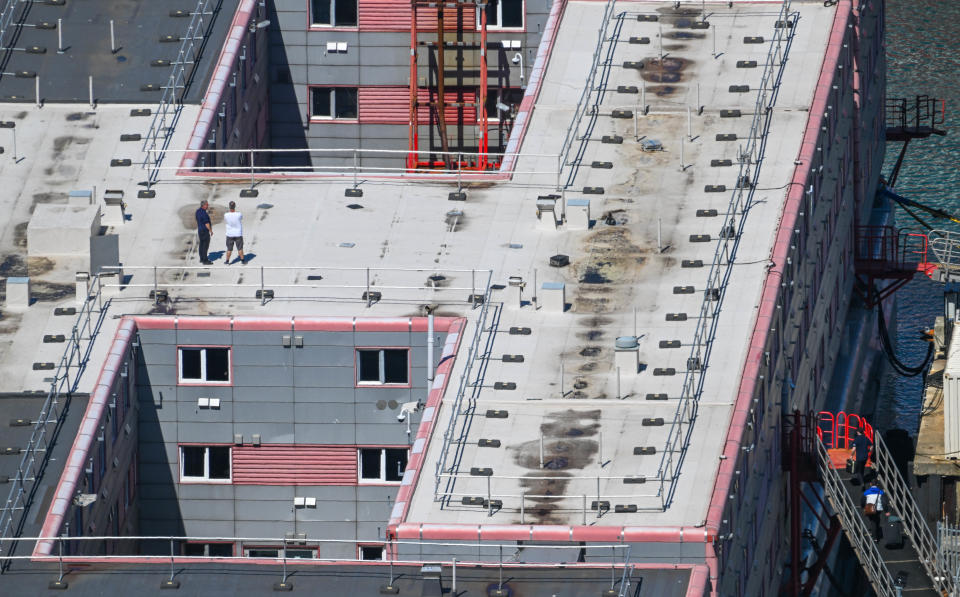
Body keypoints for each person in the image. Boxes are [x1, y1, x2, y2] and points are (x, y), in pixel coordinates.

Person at [223, 201, 245, 265]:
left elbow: (226, 220)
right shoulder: (239, 214)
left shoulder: (226, 215)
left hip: (230, 234)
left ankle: (227, 261)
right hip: (238, 234)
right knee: (240, 248)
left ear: (229, 207)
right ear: (235, 206)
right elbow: (241, 218)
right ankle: (242, 260)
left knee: (229, 249)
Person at [195, 200, 213, 265]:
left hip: (200, 230)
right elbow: (206, 223)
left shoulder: (197, 211)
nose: (208, 206)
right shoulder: (204, 213)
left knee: (201, 245)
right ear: (204, 205)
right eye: (207, 205)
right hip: (205, 231)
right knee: (205, 246)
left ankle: (201, 258)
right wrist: (210, 230)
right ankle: (205, 260)